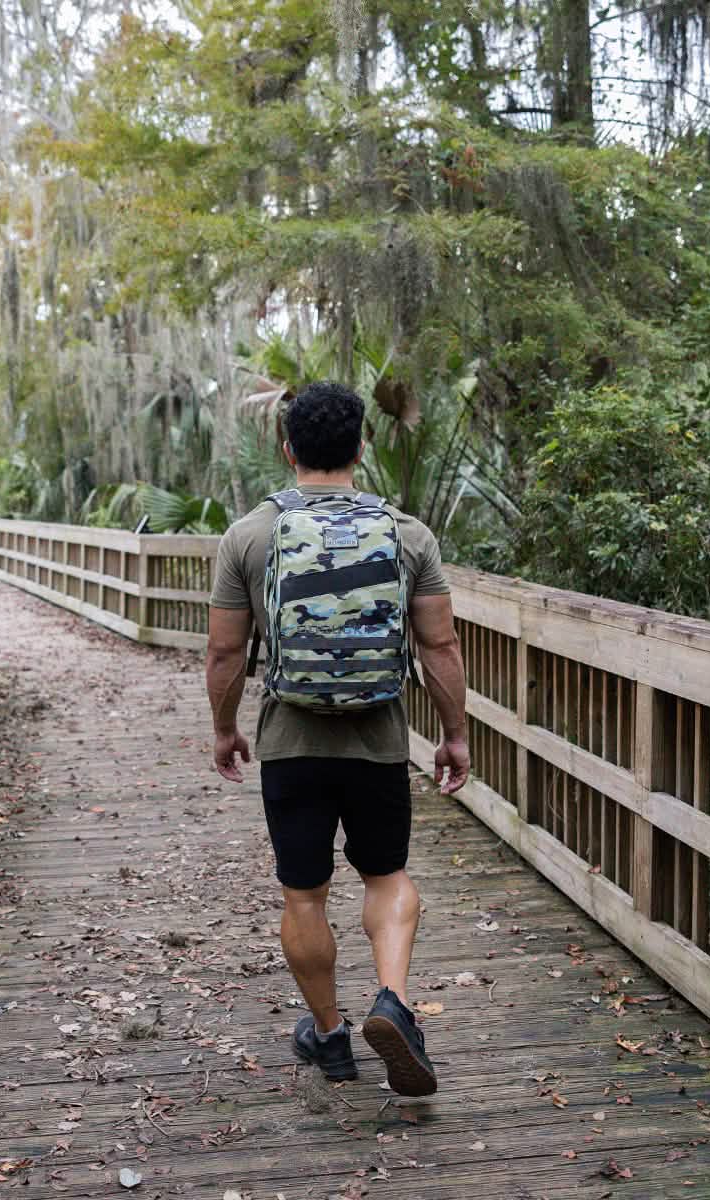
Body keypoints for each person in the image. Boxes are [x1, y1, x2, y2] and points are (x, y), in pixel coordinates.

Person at [205, 380, 470, 1096]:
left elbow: (227, 654)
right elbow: (439, 645)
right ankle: (394, 1001)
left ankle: (330, 1036)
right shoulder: (407, 534)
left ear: (288, 448)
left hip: (291, 742)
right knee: (386, 877)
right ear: (362, 446)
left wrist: (226, 728)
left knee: (304, 896)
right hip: (378, 741)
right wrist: (455, 736)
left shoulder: (250, 535)